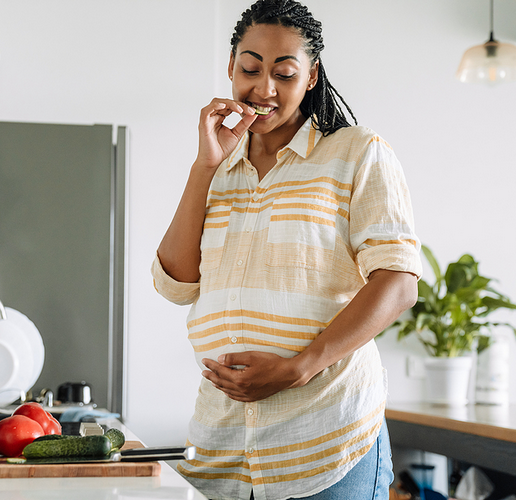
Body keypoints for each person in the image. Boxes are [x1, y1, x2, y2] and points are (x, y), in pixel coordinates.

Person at [152, 1, 422, 499]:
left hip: (323, 437)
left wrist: (299, 367)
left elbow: (399, 281)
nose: (264, 90)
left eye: (285, 73)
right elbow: (175, 281)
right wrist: (204, 166)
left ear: (312, 76)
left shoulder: (356, 152)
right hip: (222, 445)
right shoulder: (219, 166)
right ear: (231, 66)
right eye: (250, 69)